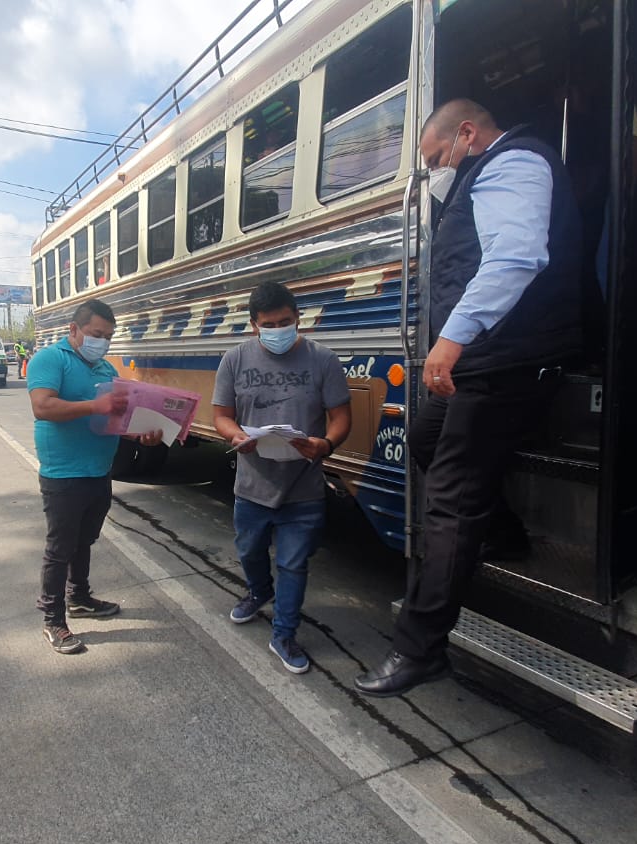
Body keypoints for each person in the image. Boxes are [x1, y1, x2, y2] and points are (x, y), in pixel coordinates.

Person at [355, 98, 584, 698]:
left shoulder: (515, 164)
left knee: (450, 503)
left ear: (466, 133)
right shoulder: (485, 173)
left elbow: (514, 257)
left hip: (505, 358)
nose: (434, 172)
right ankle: (500, 530)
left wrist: (450, 340)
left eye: (435, 159)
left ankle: (420, 647)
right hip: (488, 357)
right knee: (426, 439)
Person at [212, 282, 351, 674]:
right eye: (268, 324)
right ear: (254, 324)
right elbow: (221, 414)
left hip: (303, 488)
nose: (278, 330)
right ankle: (258, 591)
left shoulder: (323, 360)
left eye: (286, 322)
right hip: (252, 486)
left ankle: (284, 634)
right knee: (249, 552)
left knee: (294, 564)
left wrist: (324, 444)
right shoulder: (235, 359)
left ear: (297, 318)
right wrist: (234, 435)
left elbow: (342, 418)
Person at [27, 299, 162, 653]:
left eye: (107, 336)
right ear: (74, 330)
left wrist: (142, 433)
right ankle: (53, 620)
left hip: (99, 470)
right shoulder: (49, 359)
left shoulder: (105, 370)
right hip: (63, 473)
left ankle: (80, 598)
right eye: (95, 334)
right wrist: (94, 406)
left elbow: (115, 420)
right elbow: (42, 406)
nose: (101, 341)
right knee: (60, 548)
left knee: (83, 541)